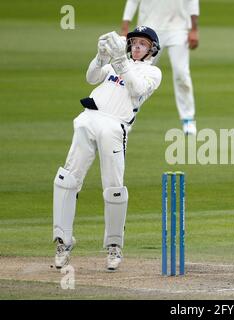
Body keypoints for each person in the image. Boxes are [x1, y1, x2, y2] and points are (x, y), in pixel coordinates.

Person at [53, 26, 162, 271]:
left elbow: (136, 89)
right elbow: (91, 77)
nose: (136, 47)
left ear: (151, 49)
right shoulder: (113, 64)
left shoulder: (153, 72)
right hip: (88, 119)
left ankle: (114, 247)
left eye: (142, 44)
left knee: (113, 187)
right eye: (134, 42)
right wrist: (101, 56)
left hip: (114, 126)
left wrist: (120, 60)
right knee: (66, 179)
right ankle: (63, 242)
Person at [121, 0, 199, 135]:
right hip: (148, 30)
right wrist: (125, 27)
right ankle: (126, 117)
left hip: (178, 28)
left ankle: (188, 119)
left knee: (182, 73)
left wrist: (194, 29)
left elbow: (192, 1)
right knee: (136, 74)